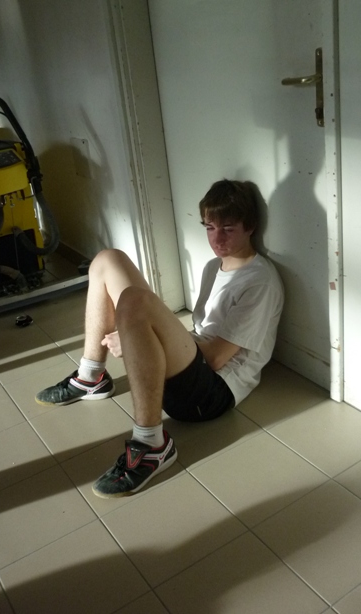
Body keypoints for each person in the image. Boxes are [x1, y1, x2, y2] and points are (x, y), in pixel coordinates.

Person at [36, 179, 284, 498]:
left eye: (228, 229)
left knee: (135, 302)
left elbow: (216, 358)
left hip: (214, 392)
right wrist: (146, 340)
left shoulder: (260, 281)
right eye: (210, 228)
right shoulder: (214, 267)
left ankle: (151, 445)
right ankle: (90, 376)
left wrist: (141, 343)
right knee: (107, 260)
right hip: (192, 361)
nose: (217, 239)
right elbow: (199, 332)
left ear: (250, 227)